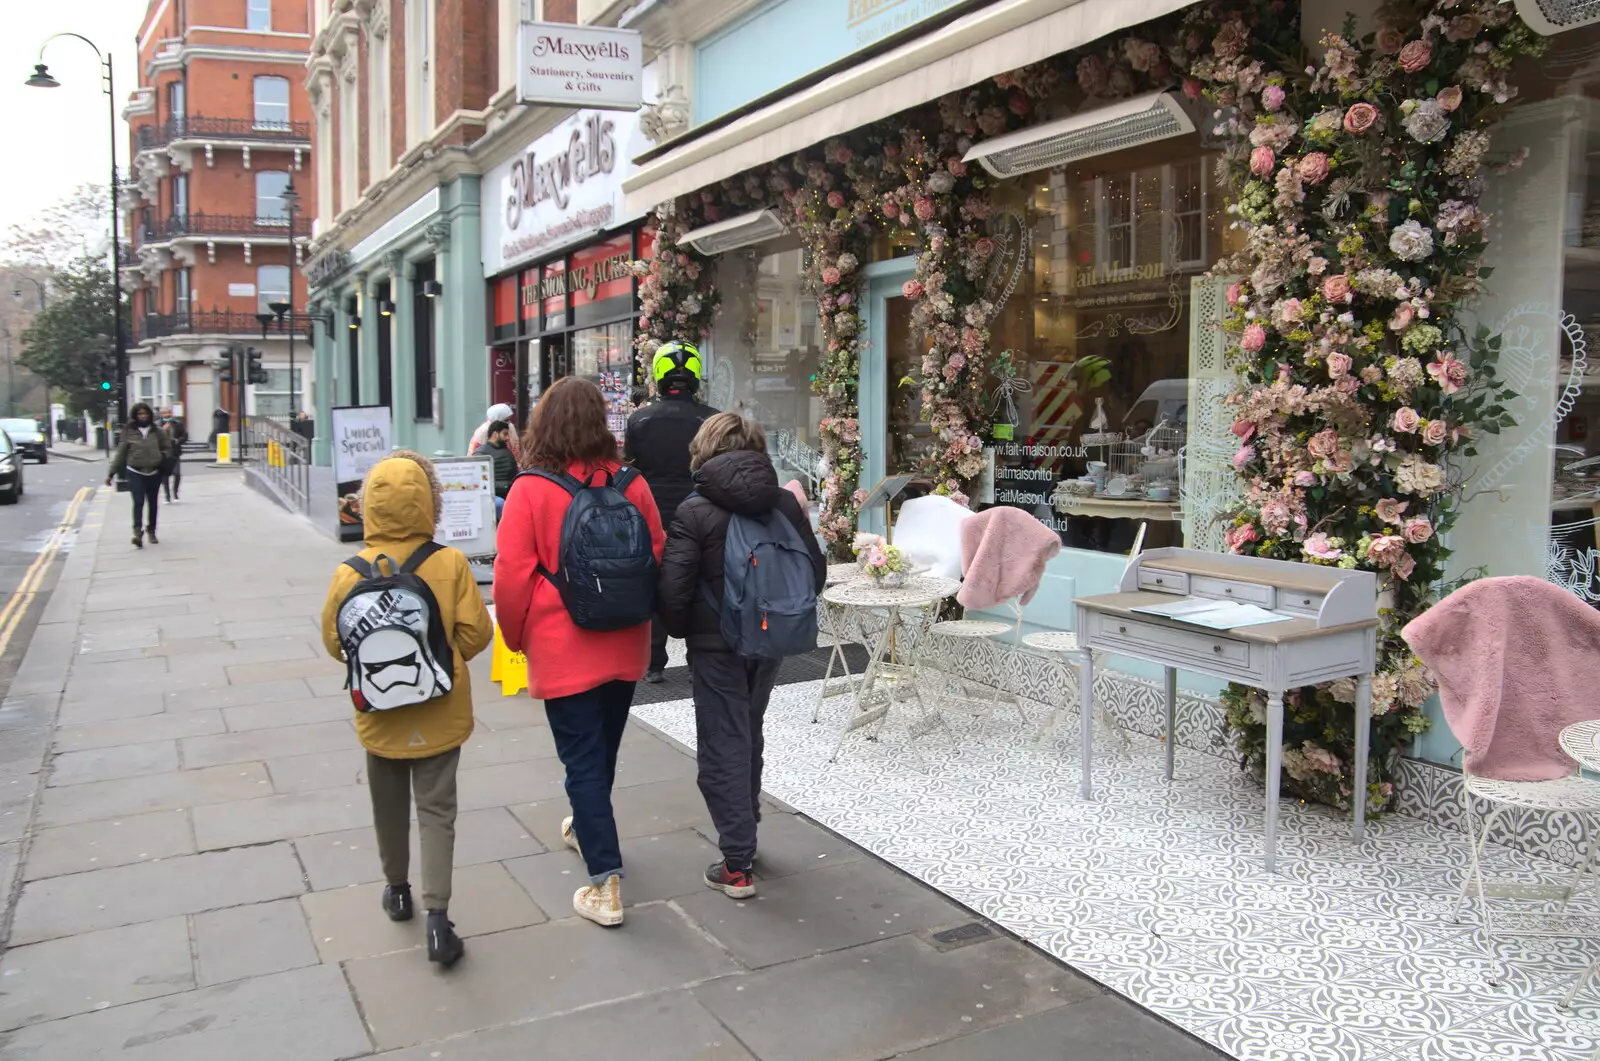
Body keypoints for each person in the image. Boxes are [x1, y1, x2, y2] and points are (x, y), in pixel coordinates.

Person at [494, 377, 666, 928]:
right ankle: (587, 825)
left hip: (562, 642)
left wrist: (517, 639)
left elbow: (511, 578)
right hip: (624, 642)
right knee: (601, 752)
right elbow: (655, 555)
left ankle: (604, 881)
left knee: (581, 758)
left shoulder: (529, 490)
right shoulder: (631, 484)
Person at [318, 451, 493, 968]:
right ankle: (439, 921)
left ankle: (397, 891)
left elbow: (335, 642)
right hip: (440, 708)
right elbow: (476, 633)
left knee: (387, 806)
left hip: (379, 712)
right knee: (437, 812)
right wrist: (441, 659)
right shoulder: (449, 562)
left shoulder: (348, 573)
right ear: (429, 502)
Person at [657, 414, 826, 898]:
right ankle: (746, 831)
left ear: (704, 449)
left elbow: (674, 589)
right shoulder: (784, 504)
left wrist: (682, 632)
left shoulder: (694, 511)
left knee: (721, 744)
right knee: (749, 731)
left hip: (716, 646)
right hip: (769, 639)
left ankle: (736, 863)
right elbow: (814, 572)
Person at [625, 340, 717, 682]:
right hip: (700, 512)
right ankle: (697, 660)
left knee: (656, 585)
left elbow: (630, 470)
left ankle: (653, 664)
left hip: (651, 515)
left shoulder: (639, 420)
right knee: (700, 586)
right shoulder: (711, 419)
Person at [108, 403, 174, 549]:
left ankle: (152, 530)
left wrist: (161, 456)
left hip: (154, 471)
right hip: (135, 471)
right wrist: (111, 473)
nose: (143, 416)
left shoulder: (157, 431)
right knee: (138, 502)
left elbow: (168, 448)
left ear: (150, 415)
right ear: (135, 416)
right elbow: (121, 453)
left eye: (145, 414)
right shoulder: (129, 432)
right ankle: (137, 533)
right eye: (140, 414)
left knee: (152, 502)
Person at [482, 419, 517, 520]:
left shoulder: (508, 454)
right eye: (505, 434)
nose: (507, 438)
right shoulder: (481, 454)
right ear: (495, 434)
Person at [159, 408, 187, 503]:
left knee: (177, 474)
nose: (166, 415)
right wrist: (163, 430)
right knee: (164, 475)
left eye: (168, 413)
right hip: (163, 453)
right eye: (164, 413)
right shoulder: (157, 425)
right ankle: (167, 496)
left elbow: (184, 435)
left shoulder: (177, 423)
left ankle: (175, 493)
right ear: (161, 414)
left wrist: (177, 441)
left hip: (175, 452)